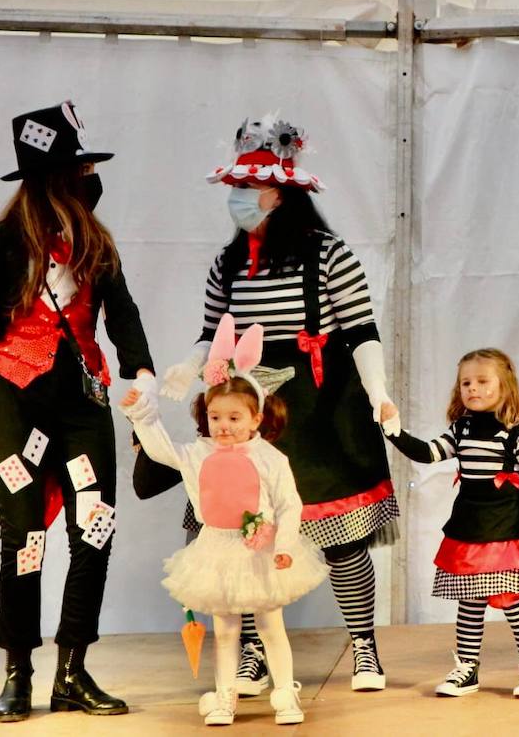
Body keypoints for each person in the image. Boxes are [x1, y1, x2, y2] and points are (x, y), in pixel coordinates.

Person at [0, 102, 157, 721]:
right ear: (56, 180)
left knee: (94, 529)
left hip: (83, 406)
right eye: (82, 168)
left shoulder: (96, 243)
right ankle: (18, 669)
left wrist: (141, 372)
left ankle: (74, 670)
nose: (92, 178)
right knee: (25, 539)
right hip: (16, 404)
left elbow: (121, 313)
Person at [159, 114, 399, 692]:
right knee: (241, 531)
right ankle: (251, 654)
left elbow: (361, 327)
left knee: (341, 537)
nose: (240, 198)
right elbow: (212, 328)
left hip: (321, 407)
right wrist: (189, 366)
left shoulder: (328, 253)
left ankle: (364, 647)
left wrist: (378, 390)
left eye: (252, 187)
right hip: (248, 410)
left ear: (283, 192)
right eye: (236, 187)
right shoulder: (228, 263)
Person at [121, 315, 327, 725]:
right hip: (216, 549)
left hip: (261, 549)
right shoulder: (198, 452)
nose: (224, 427)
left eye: (235, 418)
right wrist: (144, 416)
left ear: (256, 419)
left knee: (270, 626)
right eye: (216, 417)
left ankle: (285, 693)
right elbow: (162, 451)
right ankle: (225, 695)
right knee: (226, 629)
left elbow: (289, 503)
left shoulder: (269, 457)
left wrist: (284, 545)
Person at [382, 348, 519, 699]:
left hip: (509, 528)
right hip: (471, 526)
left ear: (505, 385)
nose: (473, 389)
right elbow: (428, 453)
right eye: (466, 382)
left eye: (482, 381)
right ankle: (467, 668)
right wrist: (393, 430)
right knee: (470, 601)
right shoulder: (461, 428)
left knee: (513, 600)